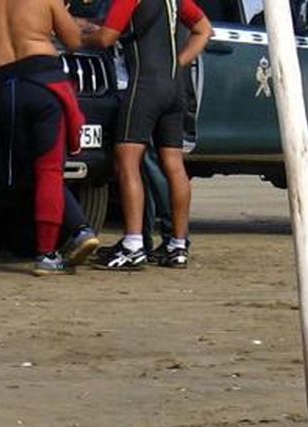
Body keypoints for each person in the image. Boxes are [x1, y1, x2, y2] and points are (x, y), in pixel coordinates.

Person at [80, 0, 212, 269]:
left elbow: (107, 38)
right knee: (174, 165)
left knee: (127, 160)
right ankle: (178, 245)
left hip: (145, 85)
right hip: (174, 86)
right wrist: (179, 64)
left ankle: (133, 243)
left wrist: (75, 38)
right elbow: (204, 29)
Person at [0, 0, 101, 275]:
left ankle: (80, 229)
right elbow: (73, 41)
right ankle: (47, 253)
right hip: (42, 81)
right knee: (48, 170)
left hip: (2, 85)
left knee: (28, 170)